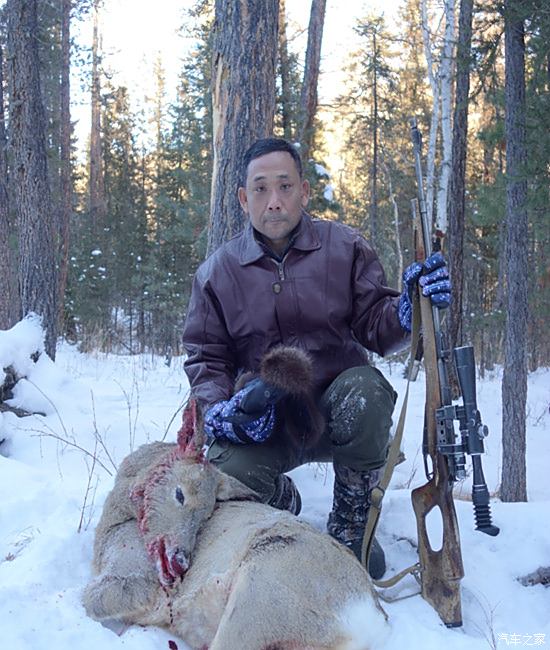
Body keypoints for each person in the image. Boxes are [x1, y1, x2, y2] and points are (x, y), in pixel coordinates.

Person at [182, 137, 451, 579]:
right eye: (262, 189)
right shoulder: (217, 272)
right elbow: (206, 359)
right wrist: (219, 412)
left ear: (304, 192)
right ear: (243, 199)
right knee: (227, 476)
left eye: (285, 187)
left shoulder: (344, 247)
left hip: (339, 409)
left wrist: (406, 311)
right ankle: (281, 499)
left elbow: (375, 323)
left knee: (366, 388)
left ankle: (351, 522)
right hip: (266, 420)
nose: (274, 202)